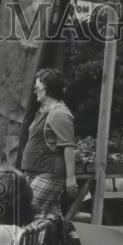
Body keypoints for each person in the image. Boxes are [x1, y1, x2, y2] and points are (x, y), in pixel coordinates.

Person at [20, 68, 78, 221]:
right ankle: (54, 244)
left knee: (24, 212)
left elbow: (68, 146)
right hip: (35, 172)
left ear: (48, 89)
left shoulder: (59, 113)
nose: (35, 91)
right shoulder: (45, 111)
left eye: (37, 88)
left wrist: (70, 177)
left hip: (49, 173)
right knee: (47, 219)